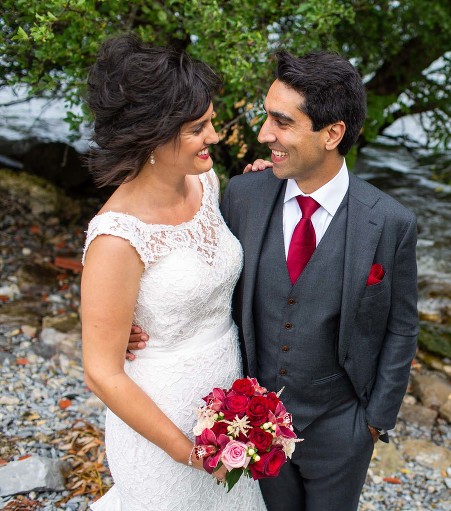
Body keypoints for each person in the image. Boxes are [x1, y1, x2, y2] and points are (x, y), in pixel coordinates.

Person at [129, 49, 420, 510]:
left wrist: (373, 420)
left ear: (332, 134)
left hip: (342, 428)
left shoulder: (389, 222)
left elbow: (402, 327)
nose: (264, 134)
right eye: (267, 117)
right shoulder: (243, 195)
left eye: (281, 122)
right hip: (253, 427)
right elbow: (190, 262)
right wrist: (134, 317)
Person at [79, 35, 266, 510]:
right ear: (154, 135)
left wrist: (267, 191)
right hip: (161, 424)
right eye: (198, 128)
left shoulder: (206, 181)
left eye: (210, 122)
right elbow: (101, 373)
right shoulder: (117, 237)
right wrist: (188, 451)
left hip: (228, 400)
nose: (214, 137)